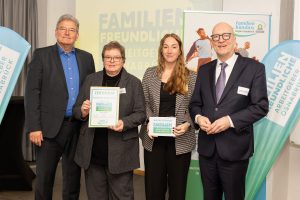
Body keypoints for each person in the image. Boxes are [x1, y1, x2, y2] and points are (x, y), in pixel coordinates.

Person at [189, 22, 269, 200]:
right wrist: (199, 117)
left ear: (234, 40)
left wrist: (229, 121)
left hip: (235, 149)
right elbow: (194, 104)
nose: (221, 40)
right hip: (207, 150)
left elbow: (261, 106)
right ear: (211, 41)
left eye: (226, 35)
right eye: (216, 37)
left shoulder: (254, 68)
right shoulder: (204, 70)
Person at [24, 14, 95, 199]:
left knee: (73, 180)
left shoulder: (87, 59)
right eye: (63, 28)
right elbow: (32, 94)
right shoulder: (41, 55)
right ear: (56, 32)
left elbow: (91, 91)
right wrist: (34, 127)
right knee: (44, 180)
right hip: (48, 130)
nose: (67, 33)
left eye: (72, 30)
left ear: (77, 35)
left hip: (77, 126)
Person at [73, 41, 146, 199]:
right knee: (96, 197)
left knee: (122, 196)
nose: (112, 61)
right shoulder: (90, 79)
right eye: (108, 57)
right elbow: (76, 109)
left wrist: (124, 123)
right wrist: (83, 111)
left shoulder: (134, 83)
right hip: (93, 152)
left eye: (116, 57)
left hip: (121, 152)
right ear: (103, 59)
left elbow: (141, 113)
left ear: (123, 60)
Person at [140, 33, 196, 200]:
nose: (169, 50)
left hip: (180, 139)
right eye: (165, 46)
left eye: (174, 46)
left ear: (180, 51)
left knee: (177, 191)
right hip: (154, 139)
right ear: (161, 50)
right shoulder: (150, 74)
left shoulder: (191, 76)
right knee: (153, 189)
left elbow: (197, 105)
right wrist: (149, 121)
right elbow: (143, 102)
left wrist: (187, 123)